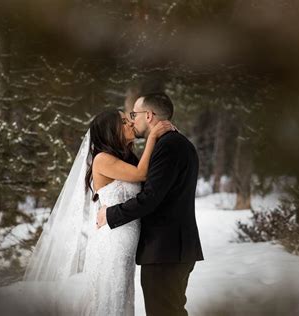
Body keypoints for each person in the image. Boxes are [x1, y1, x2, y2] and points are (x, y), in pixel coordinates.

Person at [19, 108, 173, 315]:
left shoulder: (127, 158)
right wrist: (153, 135)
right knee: (110, 296)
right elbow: (142, 174)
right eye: (123, 121)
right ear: (111, 130)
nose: (129, 123)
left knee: (120, 295)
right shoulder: (102, 159)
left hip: (125, 237)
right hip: (114, 239)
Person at [97, 93, 204, 316]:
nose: (132, 120)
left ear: (149, 115)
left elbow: (150, 199)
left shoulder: (167, 146)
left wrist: (110, 215)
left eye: (133, 115)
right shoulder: (174, 142)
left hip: (166, 250)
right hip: (171, 249)